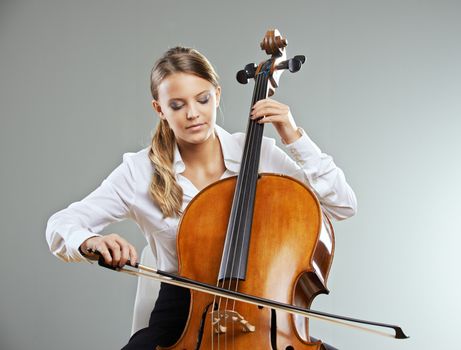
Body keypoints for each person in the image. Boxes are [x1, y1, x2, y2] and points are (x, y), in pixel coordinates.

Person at [46, 46, 357, 350]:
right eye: (177, 105)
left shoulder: (260, 154)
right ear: (159, 109)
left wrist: (293, 135)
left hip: (266, 319)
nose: (192, 114)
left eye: (203, 99)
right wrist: (90, 241)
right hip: (182, 319)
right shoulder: (139, 171)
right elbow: (62, 224)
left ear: (217, 95)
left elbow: (342, 205)